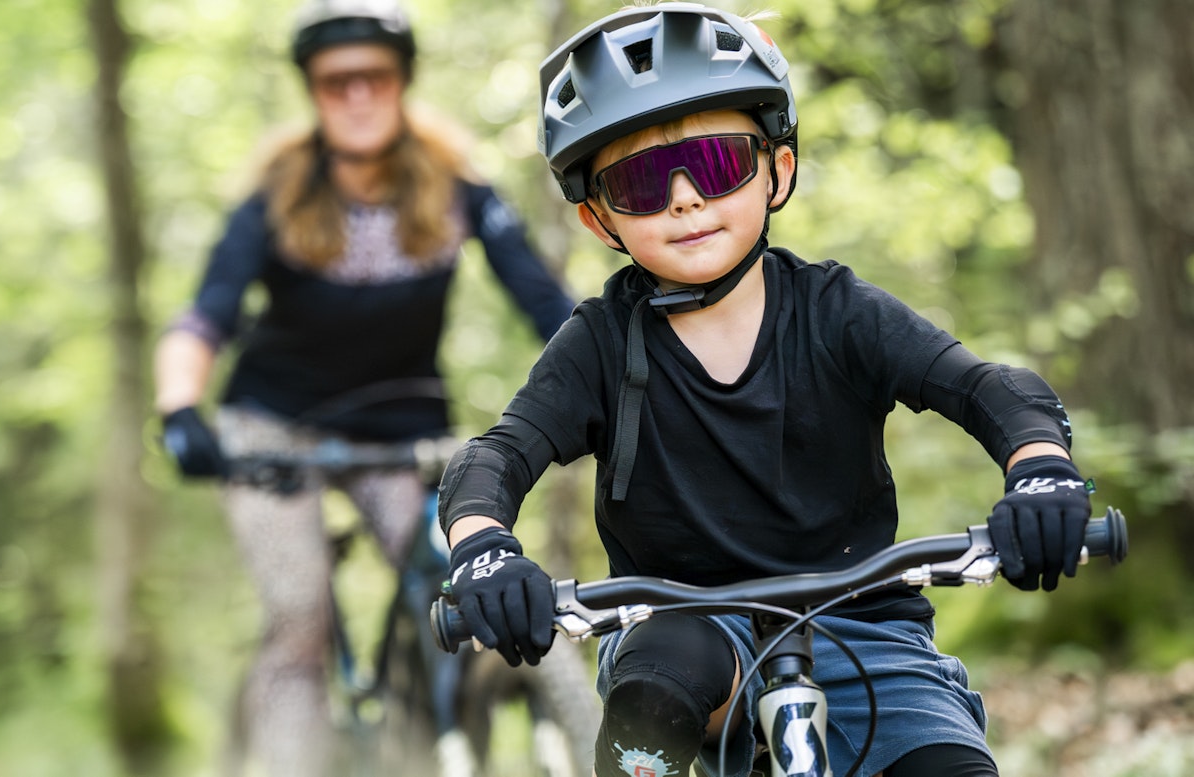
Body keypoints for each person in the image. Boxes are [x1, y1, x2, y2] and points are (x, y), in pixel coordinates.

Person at [436, 5, 1093, 777]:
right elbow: (496, 457)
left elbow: (988, 389)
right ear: (596, 217)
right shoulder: (599, 342)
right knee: (657, 689)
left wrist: (1041, 466)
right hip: (676, 627)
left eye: (715, 164)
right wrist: (482, 552)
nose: (684, 198)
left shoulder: (840, 311)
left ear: (777, 170)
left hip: (865, 630)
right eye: (641, 181)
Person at [152, 1, 575, 774]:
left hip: (402, 432)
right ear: (312, 92)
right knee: (299, 617)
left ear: (402, 81)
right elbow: (204, 319)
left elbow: (548, 306)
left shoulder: (456, 187)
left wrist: (618, 386)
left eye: (373, 77)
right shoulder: (275, 195)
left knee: (465, 578)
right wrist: (181, 408)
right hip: (273, 430)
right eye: (334, 81)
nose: (356, 96)